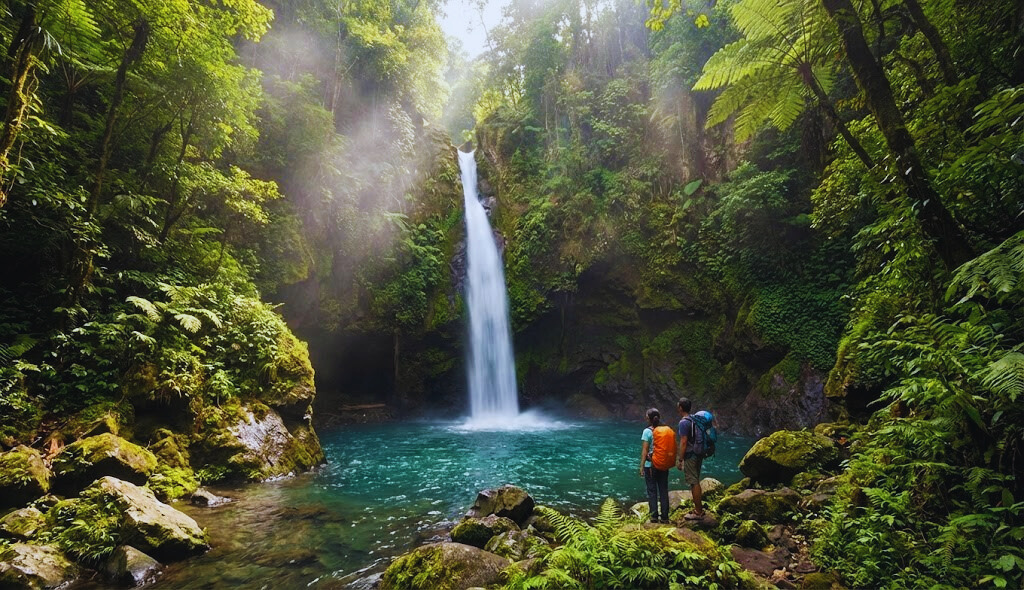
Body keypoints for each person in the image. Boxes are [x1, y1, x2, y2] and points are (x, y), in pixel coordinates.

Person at [639, 408, 671, 523]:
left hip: (650, 465)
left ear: (649, 418)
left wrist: (641, 466)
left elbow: (645, 450)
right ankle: (665, 517)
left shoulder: (647, 431)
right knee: (663, 489)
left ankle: (653, 516)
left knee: (652, 490)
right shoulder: (664, 430)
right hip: (663, 464)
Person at [676, 397, 705, 520]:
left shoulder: (684, 422)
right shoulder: (694, 419)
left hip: (691, 455)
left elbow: (683, 442)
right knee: (696, 480)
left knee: (693, 482)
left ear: (681, 408)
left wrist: (680, 459)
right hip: (698, 453)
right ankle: (698, 508)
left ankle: (698, 511)